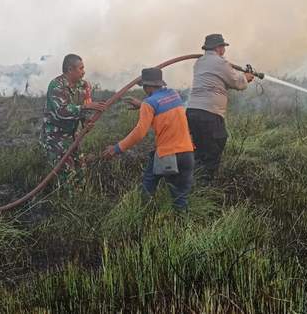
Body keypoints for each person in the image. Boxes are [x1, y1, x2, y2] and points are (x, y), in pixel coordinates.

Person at [103, 68, 194, 211]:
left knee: (147, 188)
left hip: (168, 156)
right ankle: (183, 229)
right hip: (188, 154)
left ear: (147, 86)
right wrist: (142, 106)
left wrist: (116, 148)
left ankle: (141, 218)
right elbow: (164, 111)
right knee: (180, 199)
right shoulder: (174, 95)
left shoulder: (149, 103)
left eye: (144, 86)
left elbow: (139, 132)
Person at [187, 34, 255, 181]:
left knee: (200, 149)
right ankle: (203, 187)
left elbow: (216, 83)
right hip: (209, 114)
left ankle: (193, 182)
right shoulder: (220, 63)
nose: (224, 49)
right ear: (218, 48)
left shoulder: (199, 62)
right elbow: (238, 83)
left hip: (193, 112)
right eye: (223, 46)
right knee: (214, 148)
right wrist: (247, 77)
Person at [41, 54, 106, 184]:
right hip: (56, 137)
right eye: (81, 68)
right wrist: (85, 107)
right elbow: (62, 112)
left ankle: (80, 200)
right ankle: (66, 201)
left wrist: (86, 122)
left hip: (73, 136)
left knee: (81, 171)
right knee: (66, 175)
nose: (84, 71)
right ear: (70, 69)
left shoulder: (84, 86)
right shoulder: (56, 86)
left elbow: (85, 111)